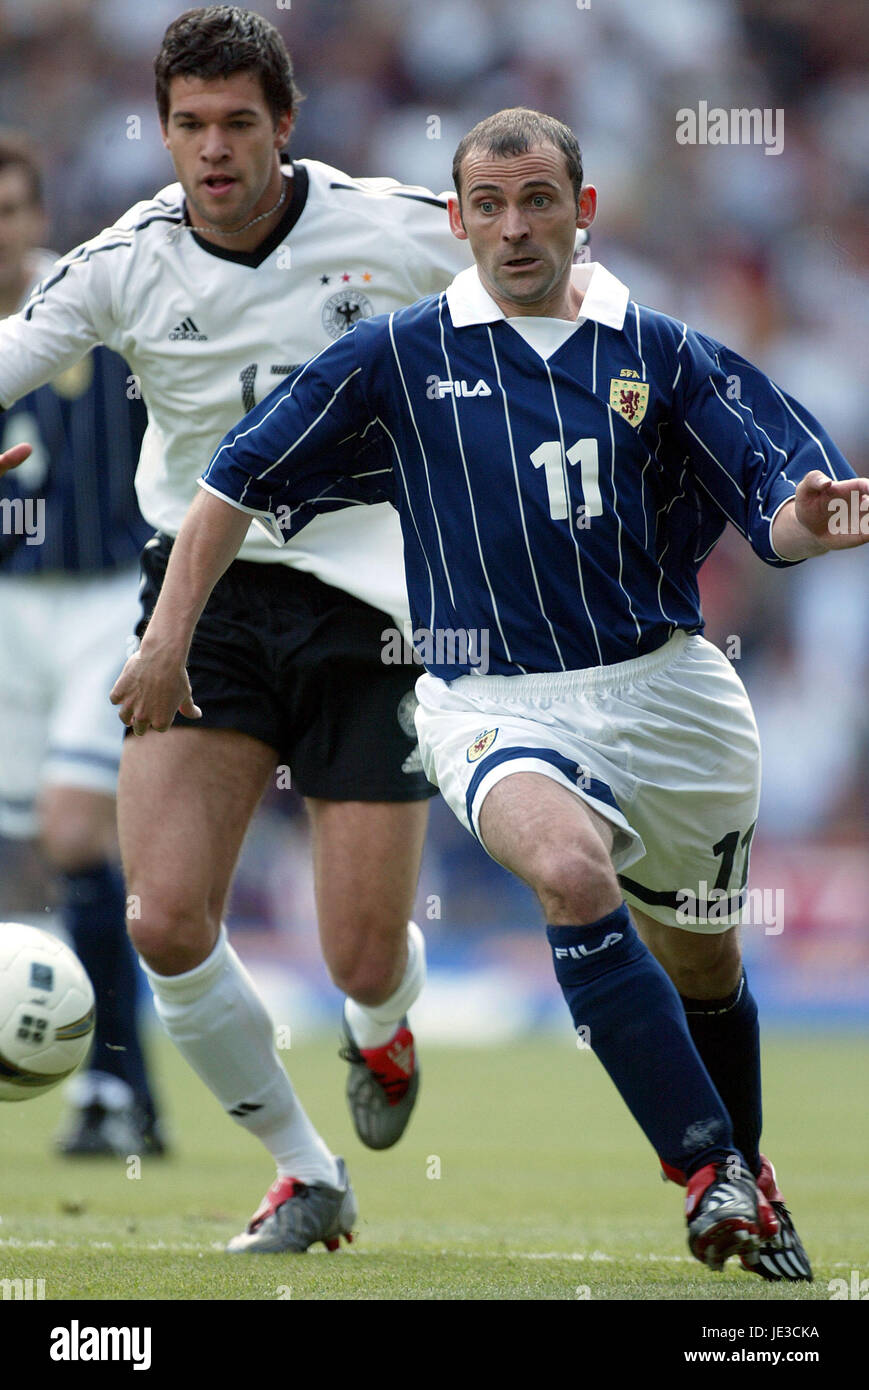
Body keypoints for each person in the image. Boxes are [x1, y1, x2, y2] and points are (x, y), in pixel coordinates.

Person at [112, 106, 869, 1277]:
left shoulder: (659, 350)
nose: (514, 231)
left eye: (539, 202)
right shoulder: (401, 354)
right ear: (455, 218)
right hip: (487, 699)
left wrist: (809, 524)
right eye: (490, 207)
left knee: (705, 966)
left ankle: (740, 1178)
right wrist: (167, 641)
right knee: (567, 873)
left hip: (668, 698)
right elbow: (236, 475)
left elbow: (774, 499)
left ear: (584, 210)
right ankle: (705, 1167)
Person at [0, 5, 487, 1253]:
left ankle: (379, 1029)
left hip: (371, 613)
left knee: (362, 949)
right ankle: (304, 1172)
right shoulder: (124, 260)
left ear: (285, 124)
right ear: (163, 130)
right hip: (195, 609)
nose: (212, 152)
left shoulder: (388, 227)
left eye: (236, 124)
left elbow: (556, 284)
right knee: (165, 918)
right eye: (188, 126)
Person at [0, 132, 165, 1157]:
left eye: (13, 209)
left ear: (37, 217)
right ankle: (121, 1090)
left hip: (103, 592)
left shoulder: (86, 312)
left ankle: (109, 1083)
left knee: (72, 835)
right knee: (25, 854)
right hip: (7, 612)